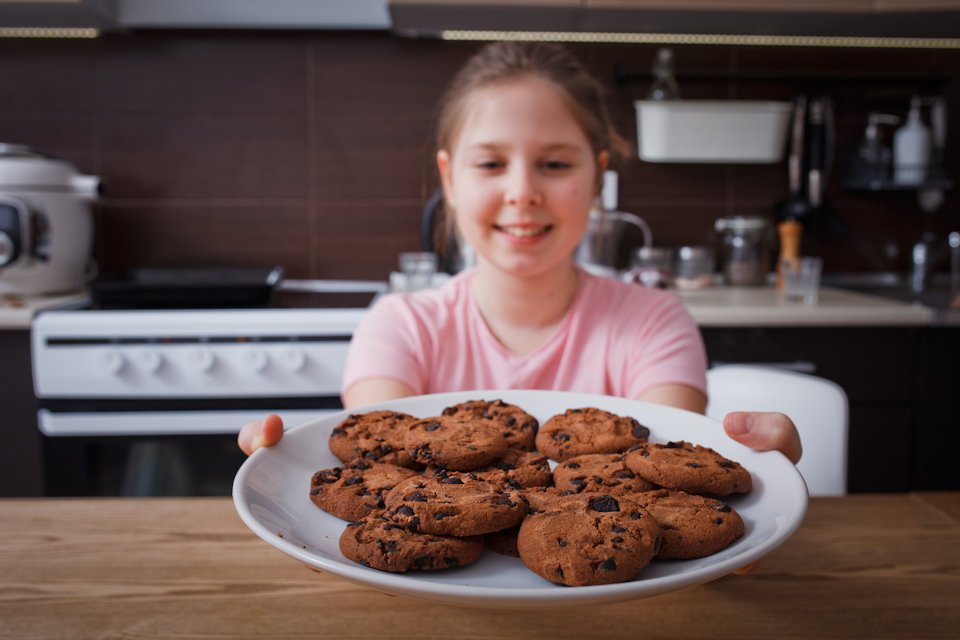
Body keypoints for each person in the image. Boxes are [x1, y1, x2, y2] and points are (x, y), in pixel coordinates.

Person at [238, 41, 802, 469]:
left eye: (555, 164)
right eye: (489, 164)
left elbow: (669, 481)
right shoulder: (400, 326)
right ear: (450, 179)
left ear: (598, 176)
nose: (523, 192)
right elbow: (379, 472)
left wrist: (762, 479)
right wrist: (288, 464)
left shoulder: (654, 324)